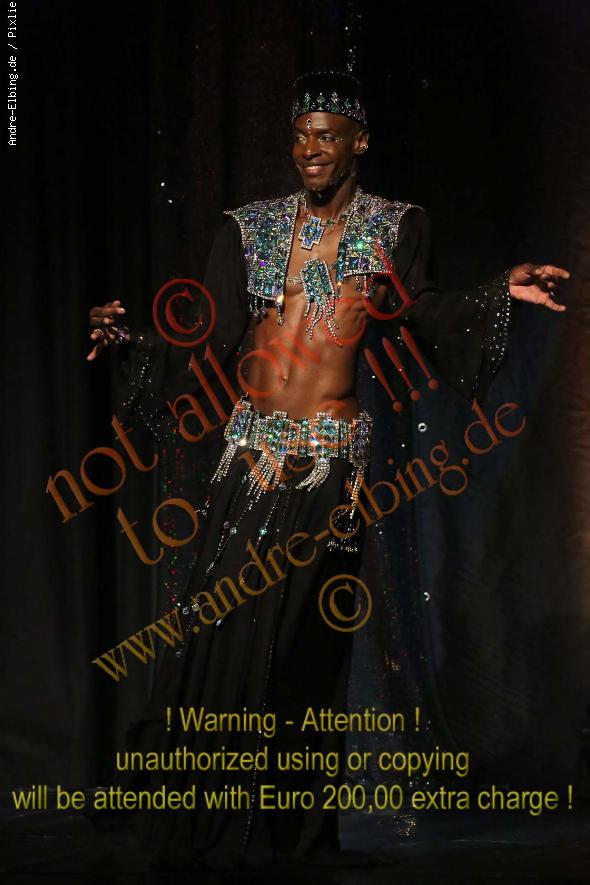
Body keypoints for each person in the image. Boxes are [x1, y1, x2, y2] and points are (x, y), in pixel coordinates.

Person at [86, 71, 569, 871]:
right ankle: (210, 825)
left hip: (329, 468)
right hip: (248, 459)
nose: (310, 149)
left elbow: (426, 311)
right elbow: (206, 341)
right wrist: (133, 340)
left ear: (358, 141)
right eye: (301, 135)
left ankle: (288, 836)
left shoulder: (395, 226)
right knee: (216, 641)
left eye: (326, 135)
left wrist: (500, 292)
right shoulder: (248, 228)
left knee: (298, 653)